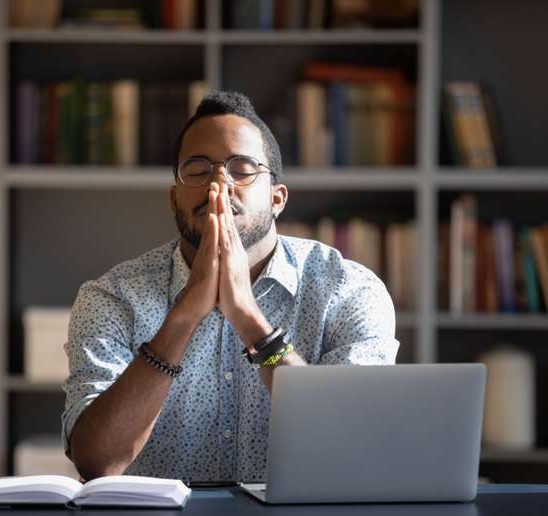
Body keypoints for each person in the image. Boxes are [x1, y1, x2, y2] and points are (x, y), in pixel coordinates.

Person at [62, 91, 399, 483]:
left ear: (277, 198)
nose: (218, 183)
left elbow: (353, 445)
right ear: (174, 198)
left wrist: (248, 316)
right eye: (198, 168)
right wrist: (184, 315)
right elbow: (97, 463)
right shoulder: (112, 297)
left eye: (242, 168)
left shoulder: (349, 290)